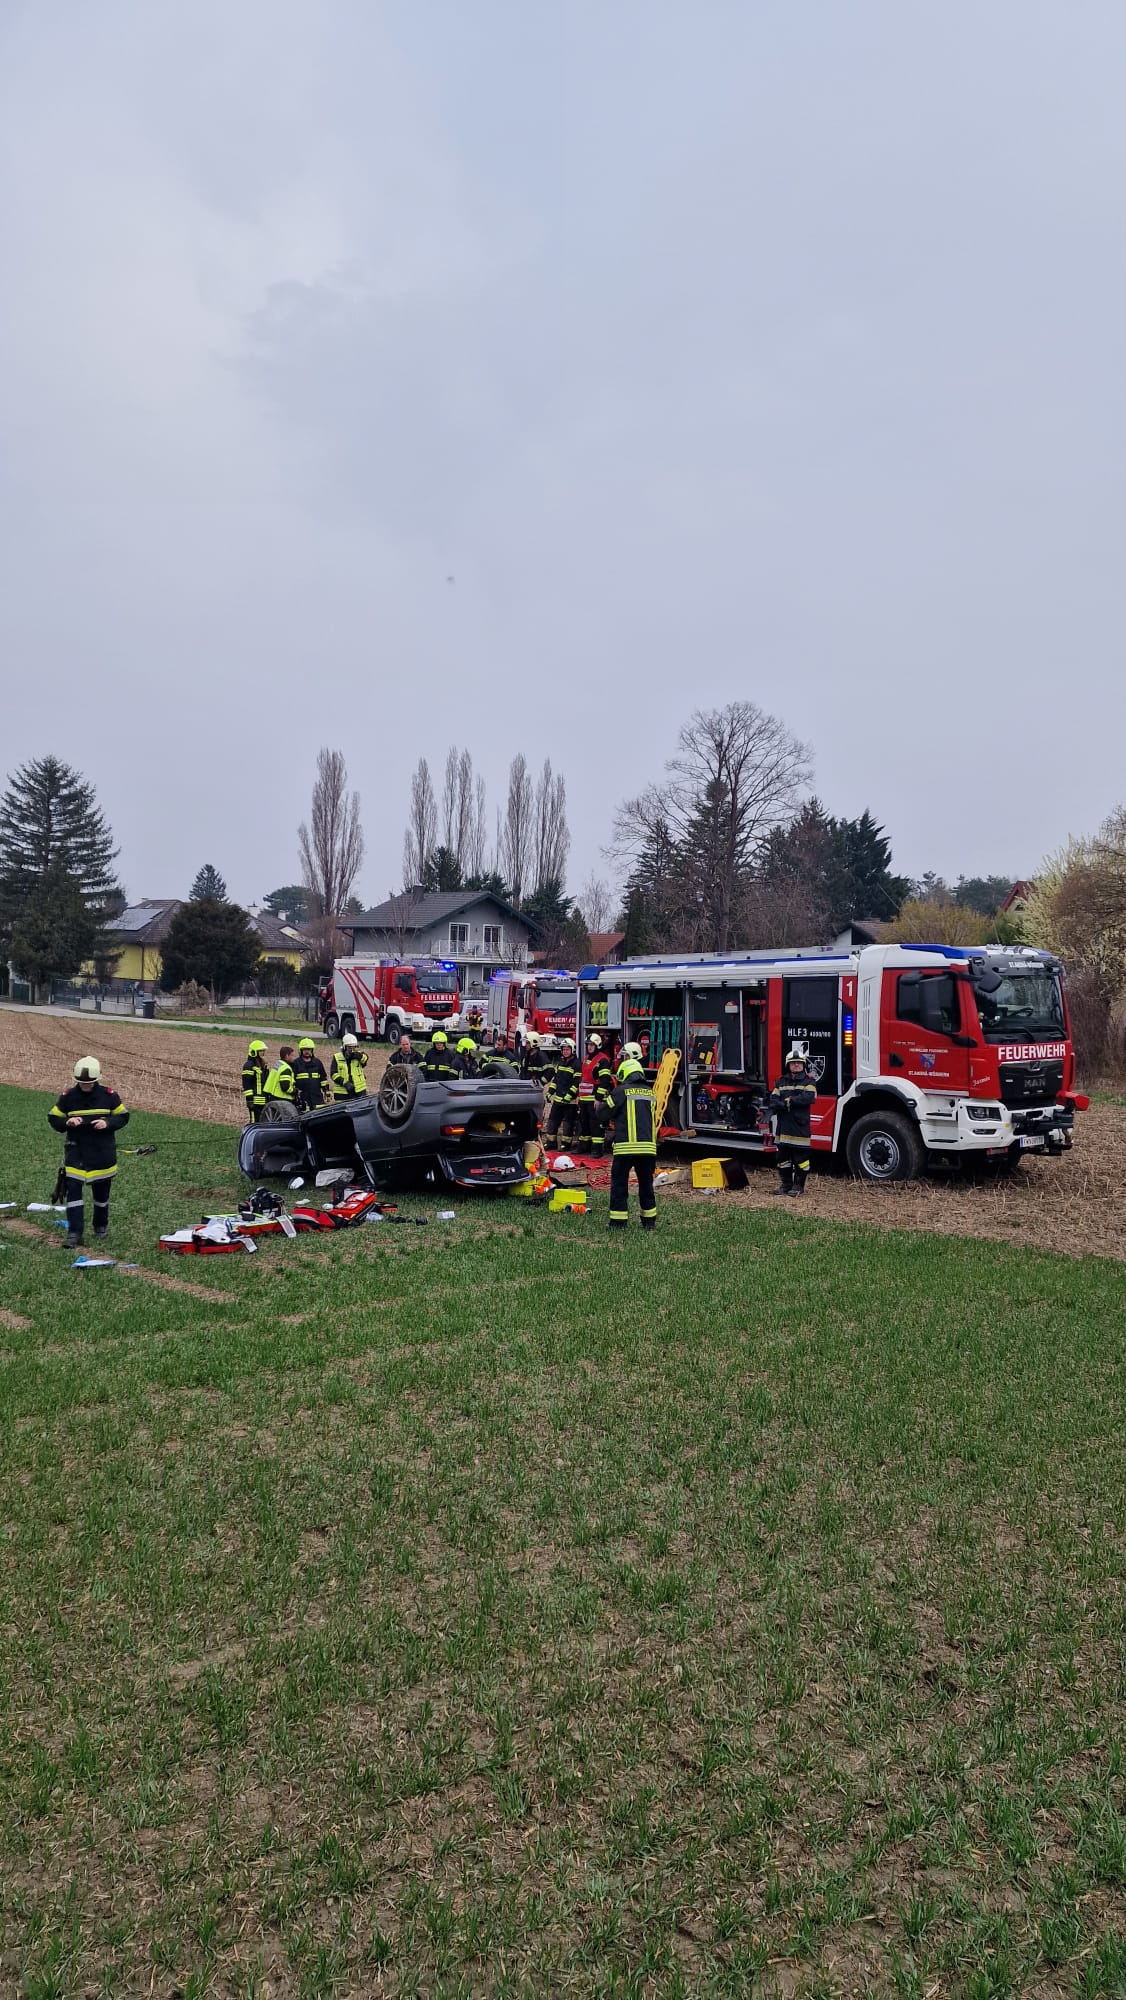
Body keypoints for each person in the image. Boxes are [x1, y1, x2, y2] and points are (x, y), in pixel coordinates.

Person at [48, 1056, 130, 1248]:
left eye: (89, 1083)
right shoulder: (67, 1096)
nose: (86, 1086)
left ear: (97, 1079)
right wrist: (67, 1122)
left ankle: (100, 1226)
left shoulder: (109, 1096)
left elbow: (123, 1116)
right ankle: (74, 1233)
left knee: (101, 1195)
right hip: (76, 1152)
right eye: (82, 1083)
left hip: (102, 1153)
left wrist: (107, 1123)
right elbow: (53, 1118)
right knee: (73, 1192)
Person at [602, 1048, 658, 1231]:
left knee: (619, 1184)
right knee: (646, 1185)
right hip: (648, 1149)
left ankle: (618, 1222)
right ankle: (649, 1222)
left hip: (625, 1148)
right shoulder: (650, 1093)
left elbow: (602, 1112)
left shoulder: (620, 1091)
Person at [769, 1043, 817, 1196]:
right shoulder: (781, 1082)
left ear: (803, 1065)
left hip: (799, 1128)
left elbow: (808, 1097)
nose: (796, 1065)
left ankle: (798, 1186)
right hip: (783, 1128)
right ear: (788, 1065)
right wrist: (782, 1103)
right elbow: (773, 1100)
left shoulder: (809, 1082)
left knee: (801, 1159)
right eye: (793, 1063)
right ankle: (786, 1185)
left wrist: (788, 1101)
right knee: (782, 1158)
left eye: (799, 1063)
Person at [577, 1033, 612, 1157]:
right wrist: (578, 1096)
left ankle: (597, 1150)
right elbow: (583, 1078)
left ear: (598, 1046)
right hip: (584, 1098)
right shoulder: (587, 1058)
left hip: (594, 1099)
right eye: (588, 1045)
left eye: (592, 1045)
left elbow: (605, 1080)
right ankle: (583, 1146)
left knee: (595, 1124)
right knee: (584, 1123)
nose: (589, 1047)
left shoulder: (602, 1060)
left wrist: (598, 1098)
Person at [545, 1037, 580, 1148]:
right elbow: (556, 1080)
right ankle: (551, 1143)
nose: (565, 1052)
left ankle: (566, 1144)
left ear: (572, 1050)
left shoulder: (577, 1064)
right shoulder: (560, 1063)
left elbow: (577, 1082)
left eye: (567, 1049)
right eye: (563, 1049)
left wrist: (569, 1095)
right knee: (552, 1121)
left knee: (568, 1124)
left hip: (570, 1102)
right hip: (558, 1100)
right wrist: (550, 1092)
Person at [292, 1037, 328, 1111]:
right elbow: (292, 1080)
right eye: (305, 1049)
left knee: (319, 1114)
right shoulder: (296, 1063)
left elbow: (323, 1078)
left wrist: (326, 1091)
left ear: (312, 1050)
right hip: (303, 1097)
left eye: (309, 1049)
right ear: (301, 1050)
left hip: (317, 1096)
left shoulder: (317, 1062)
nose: (307, 1051)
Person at [331, 1032, 369, 1101]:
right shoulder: (337, 1057)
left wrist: (359, 1056)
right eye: (349, 1047)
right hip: (342, 1093)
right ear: (344, 1047)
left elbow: (365, 1059)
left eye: (354, 1047)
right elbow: (333, 1074)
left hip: (359, 1091)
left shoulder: (358, 1055)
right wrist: (344, 1082)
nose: (352, 1050)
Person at [242, 1040, 270, 1121]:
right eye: (260, 1050)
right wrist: (249, 1099)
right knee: (254, 1122)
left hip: (264, 1100)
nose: (263, 1052)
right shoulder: (249, 1065)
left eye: (263, 1050)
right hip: (255, 1101)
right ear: (254, 1052)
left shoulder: (263, 1065)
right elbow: (247, 1084)